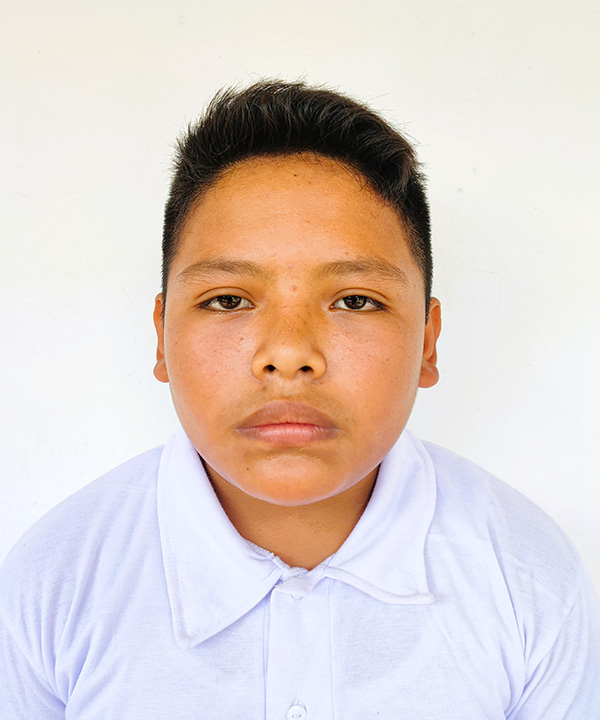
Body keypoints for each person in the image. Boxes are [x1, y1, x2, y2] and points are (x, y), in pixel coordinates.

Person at [1, 81, 599, 719]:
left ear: (427, 342)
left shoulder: (530, 580)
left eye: (355, 301)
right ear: (162, 336)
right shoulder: (53, 580)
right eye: (228, 300)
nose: (288, 354)